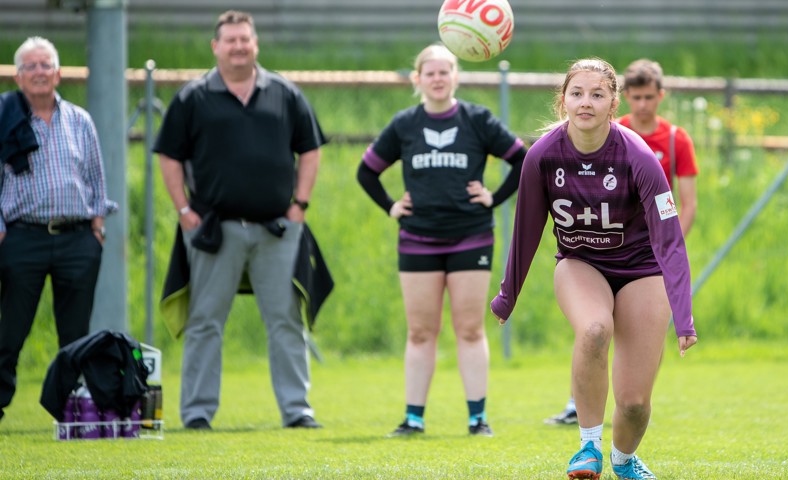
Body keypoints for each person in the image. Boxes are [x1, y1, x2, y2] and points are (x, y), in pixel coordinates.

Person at [490, 58, 697, 479]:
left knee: (635, 403)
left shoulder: (639, 156)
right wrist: (507, 296)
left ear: (612, 103)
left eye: (597, 94)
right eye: (577, 93)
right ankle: (588, 447)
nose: (586, 102)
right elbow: (526, 232)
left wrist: (684, 314)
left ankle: (624, 461)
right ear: (563, 100)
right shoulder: (542, 156)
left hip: (642, 270)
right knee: (594, 329)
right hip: (580, 263)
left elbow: (670, 239)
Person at [154, 10, 327, 430]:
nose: (238, 47)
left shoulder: (285, 93)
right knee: (205, 322)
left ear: (256, 44)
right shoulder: (192, 97)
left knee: (286, 321)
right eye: (230, 40)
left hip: (277, 229)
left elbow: (311, 148)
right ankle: (196, 414)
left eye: (245, 39)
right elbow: (169, 155)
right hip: (214, 230)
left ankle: (297, 411)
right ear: (216, 46)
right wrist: (183, 210)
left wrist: (299, 204)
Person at [356, 44, 526, 437]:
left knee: (469, 328)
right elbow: (366, 172)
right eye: (429, 73)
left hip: (471, 236)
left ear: (455, 76)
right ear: (418, 79)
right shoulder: (404, 124)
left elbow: (522, 159)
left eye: (444, 71)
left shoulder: (477, 119)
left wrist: (494, 198)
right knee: (420, 332)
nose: (437, 78)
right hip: (418, 239)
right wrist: (391, 207)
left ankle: (477, 418)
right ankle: (413, 418)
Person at [546, 58, 700, 427]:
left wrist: (667, 252)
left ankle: (628, 425)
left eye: (650, 97)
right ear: (624, 98)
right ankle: (578, 407)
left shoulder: (675, 140)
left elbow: (687, 203)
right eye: (637, 96)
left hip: (646, 255)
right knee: (593, 328)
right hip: (594, 248)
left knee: (636, 366)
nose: (643, 104)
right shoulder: (605, 129)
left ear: (660, 96)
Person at [0, 36, 116, 422]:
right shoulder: (5, 119)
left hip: (77, 240)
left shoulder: (80, 120)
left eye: (45, 65)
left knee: (75, 336)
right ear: (18, 77)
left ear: (59, 73)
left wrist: (96, 231)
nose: (39, 73)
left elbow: (97, 179)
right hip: (22, 238)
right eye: (30, 66)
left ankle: (70, 412)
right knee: (9, 333)